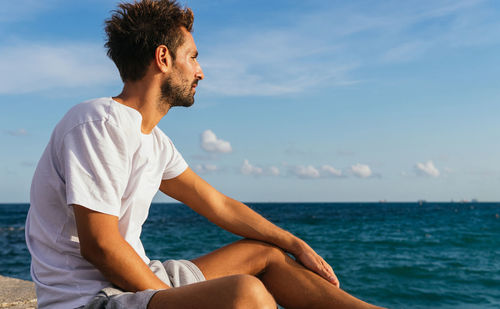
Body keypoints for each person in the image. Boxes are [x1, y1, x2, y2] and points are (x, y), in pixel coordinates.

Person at [25, 0, 385, 308]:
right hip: (93, 299)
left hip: (136, 280)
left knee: (265, 255)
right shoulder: (99, 123)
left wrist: (294, 243)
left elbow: (218, 204)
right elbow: (100, 245)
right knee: (244, 293)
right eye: (193, 57)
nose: (200, 71)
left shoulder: (152, 139)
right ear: (163, 58)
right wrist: (175, 300)